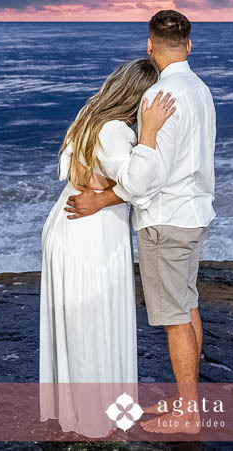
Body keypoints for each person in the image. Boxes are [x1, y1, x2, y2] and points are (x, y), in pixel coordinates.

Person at [65, 10, 216, 434]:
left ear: (149, 46)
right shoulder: (201, 89)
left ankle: (189, 413)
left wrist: (101, 200)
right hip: (195, 213)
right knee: (186, 306)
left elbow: (142, 177)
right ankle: (189, 399)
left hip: (166, 219)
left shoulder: (158, 97)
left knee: (173, 317)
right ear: (190, 44)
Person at [38, 57, 175, 438]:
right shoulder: (116, 130)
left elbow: (69, 169)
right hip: (91, 235)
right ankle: (94, 418)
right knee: (93, 323)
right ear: (140, 98)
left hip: (66, 225)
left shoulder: (89, 114)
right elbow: (139, 182)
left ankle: (73, 410)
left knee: (75, 323)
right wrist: (148, 135)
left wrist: (98, 189)